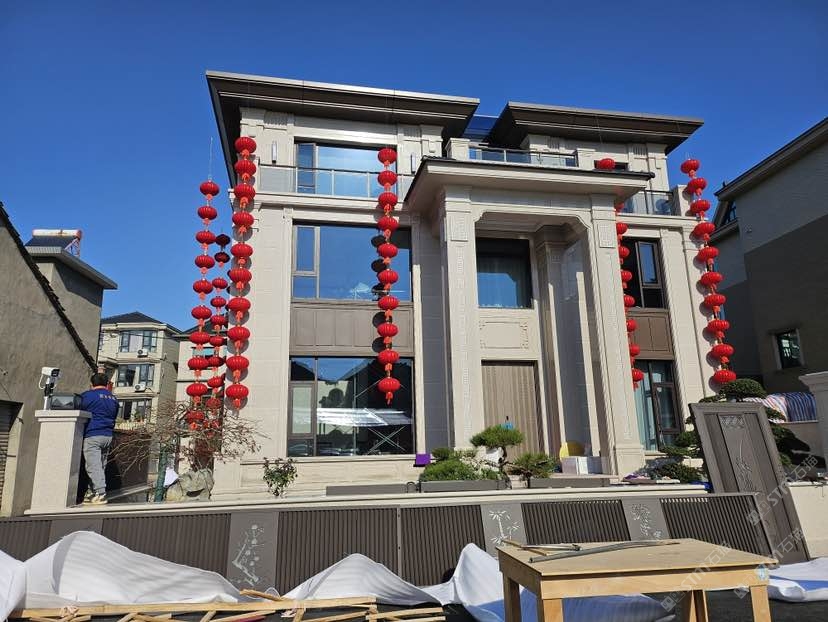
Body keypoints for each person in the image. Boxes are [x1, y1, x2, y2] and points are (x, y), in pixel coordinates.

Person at [80, 372, 119, 504]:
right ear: (107, 384)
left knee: (93, 465)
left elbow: (76, 407)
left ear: (92, 384)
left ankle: (100, 493)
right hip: (107, 435)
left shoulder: (88, 396)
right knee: (100, 465)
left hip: (93, 434)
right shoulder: (113, 399)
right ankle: (92, 493)